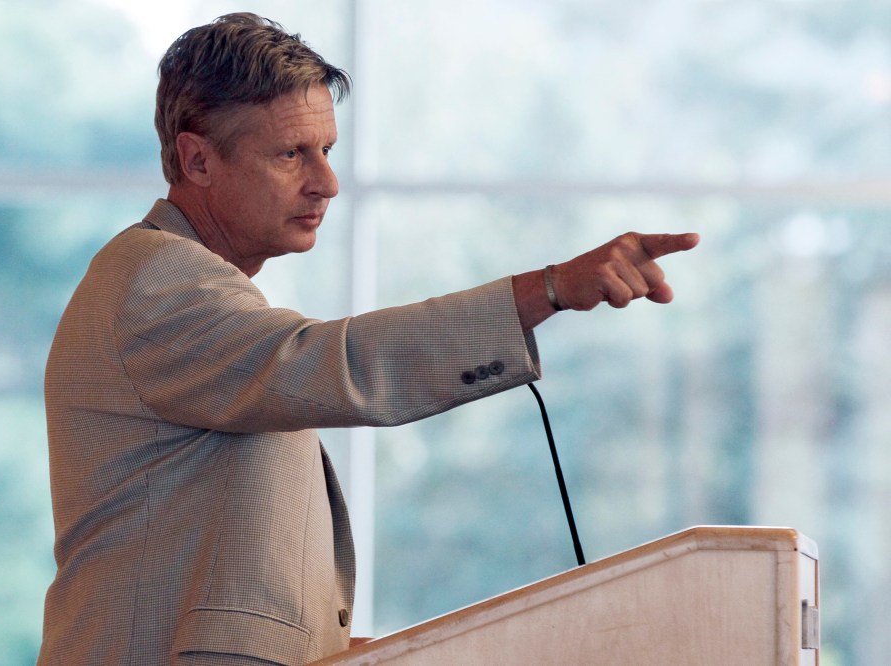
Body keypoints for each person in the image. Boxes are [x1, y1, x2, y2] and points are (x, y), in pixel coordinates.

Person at [37, 12, 699, 666]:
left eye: (326, 150)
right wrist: (547, 290)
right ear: (198, 159)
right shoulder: (157, 282)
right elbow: (338, 363)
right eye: (291, 153)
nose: (326, 182)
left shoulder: (194, 289)